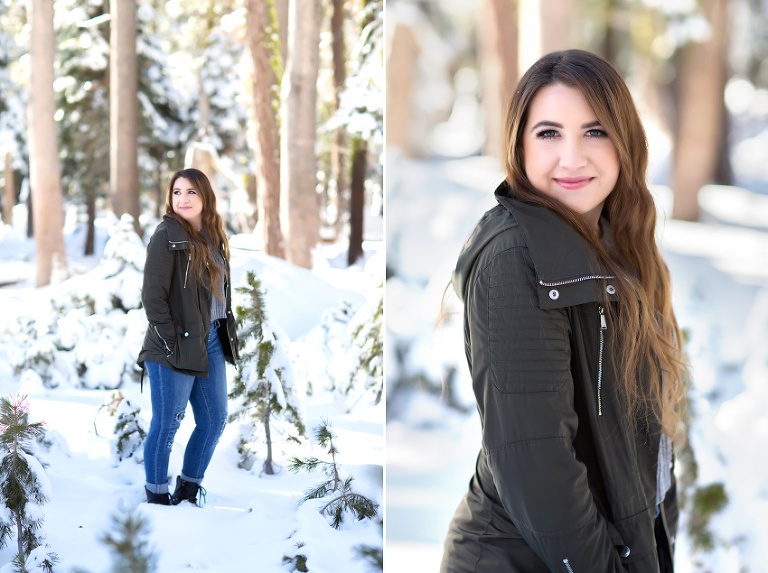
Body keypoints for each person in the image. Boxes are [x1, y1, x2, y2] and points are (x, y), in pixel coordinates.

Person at [441, 50, 688, 572]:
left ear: (625, 141)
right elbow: (538, 463)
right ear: (520, 144)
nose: (572, 158)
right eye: (549, 133)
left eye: (594, 132)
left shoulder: (620, 245)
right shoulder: (515, 258)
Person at [137, 167, 239, 506]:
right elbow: (153, 297)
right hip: (173, 343)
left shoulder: (211, 235)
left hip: (209, 340)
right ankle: (156, 496)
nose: (183, 198)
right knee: (167, 424)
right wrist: (172, 340)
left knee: (213, 420)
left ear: (205, 197)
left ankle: (188, 490)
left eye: (191, 192)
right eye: (177, 192)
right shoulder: (166, 235)